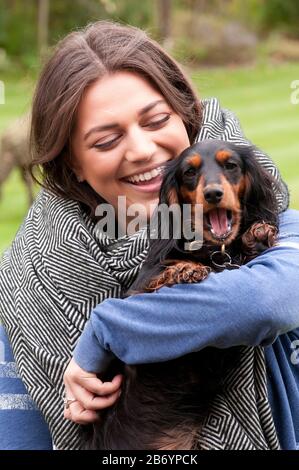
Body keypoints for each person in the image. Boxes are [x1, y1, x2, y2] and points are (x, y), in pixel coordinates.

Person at [0, 20, 297, 450]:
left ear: (185, 116)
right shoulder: (24, 282)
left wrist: (103, 330)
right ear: (73, 164)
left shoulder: (267, 221)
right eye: (105, 140)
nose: (141, 150)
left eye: (156, 120)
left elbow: (261, 301)